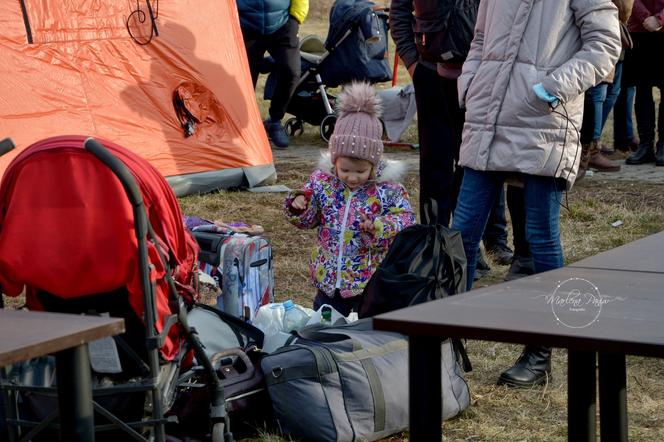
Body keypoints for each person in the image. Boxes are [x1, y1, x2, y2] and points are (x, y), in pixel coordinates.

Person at [452, 0, 621, 388]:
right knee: (460, 235)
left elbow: (605, 44)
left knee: (541, 238)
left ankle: (539, 352)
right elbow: (480, 39)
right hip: (487, 118)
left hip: (542, 122)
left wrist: (552, 87)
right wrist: (471, 82)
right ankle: (445, 341)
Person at [284, 82, 416, 316]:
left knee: (363, 333)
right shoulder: (321, 183)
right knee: (325, 328)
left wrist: (378, 227)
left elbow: (406, 220)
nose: (352, 178)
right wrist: (300, 207)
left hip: (366, 281)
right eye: (345, 170)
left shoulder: (388, 190)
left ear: (373, 165)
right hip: (327, 279)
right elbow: (309, 220)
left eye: (361, 171)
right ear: (334, 160)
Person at [237, 0, 309, 149]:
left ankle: (274, 121)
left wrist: (295, 18)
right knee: (245, 79)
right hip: (245, 25)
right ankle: (244, 128)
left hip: (283, 25)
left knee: (292, 71)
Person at [577, 0, 634, 179]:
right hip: (599, 29)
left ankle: (592, 144)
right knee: (596, 93)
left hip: (615, 29)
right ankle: (587, 150)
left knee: (610, 93)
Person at [624, 0, 664, 166]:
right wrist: (645, 17)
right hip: (639, 30)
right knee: (642, 90)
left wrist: (660, 19)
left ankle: (663, 145)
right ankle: (645, 145)